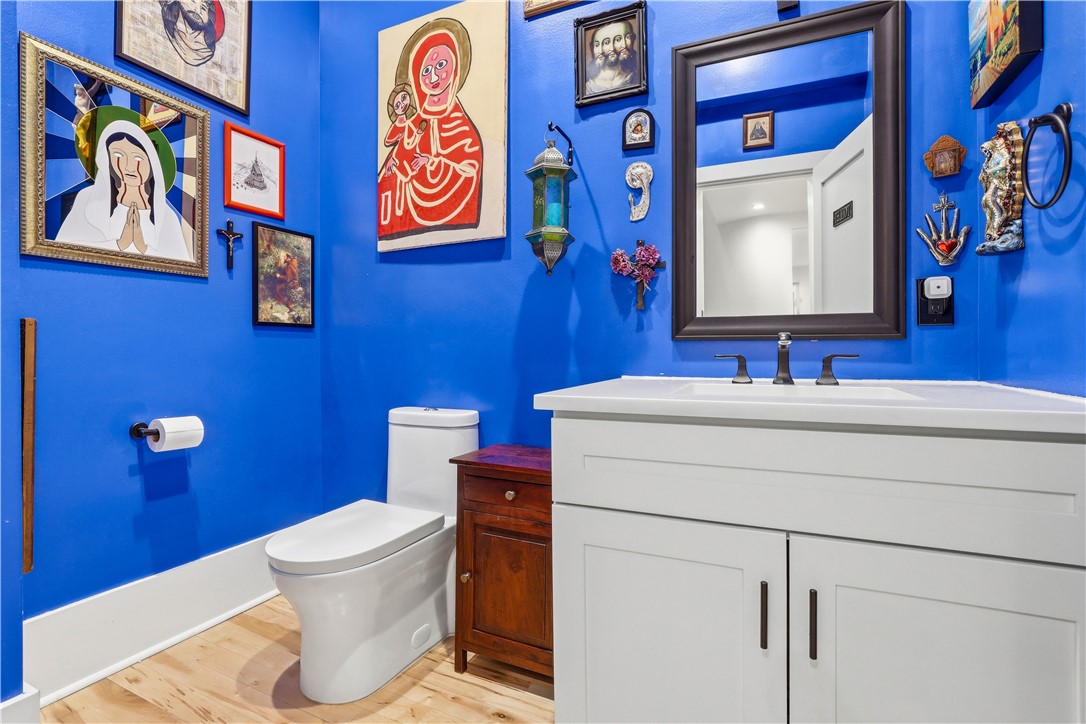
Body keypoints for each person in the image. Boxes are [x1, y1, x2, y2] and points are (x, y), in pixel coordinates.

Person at [378, 18, 483, 241]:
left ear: (456, 66)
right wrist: (392, 167)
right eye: (426, 70)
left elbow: (469, 168)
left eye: (441, 65)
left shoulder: (460, 124)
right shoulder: (413, 121)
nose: (434, 77)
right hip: (404, 209)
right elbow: (399, 154)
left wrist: (432, 162)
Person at [57, 119, 190, 261]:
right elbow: (60, 252)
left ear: (152, 163)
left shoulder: (167, 217)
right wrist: (119, 244)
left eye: (138, 158)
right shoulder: (87, 199)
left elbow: (182, 266)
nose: (128, 167)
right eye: (118, 156)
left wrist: (143, 248)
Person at [158, 0, 225, 67]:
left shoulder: (205, 52)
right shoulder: (170, 34)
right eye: (193, 1)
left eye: (203, 8)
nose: (198, 11)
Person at [585, 19, 639, 94]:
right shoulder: (588, 87)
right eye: (606, 42)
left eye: (617, 40)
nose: (624, 45)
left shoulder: (634, 77)